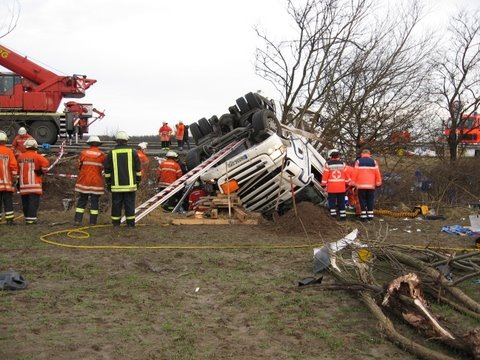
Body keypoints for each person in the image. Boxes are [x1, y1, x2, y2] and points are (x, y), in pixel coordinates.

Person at [104, 131, 142, 227]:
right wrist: (137, 181)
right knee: (129, 204)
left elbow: (107, 171)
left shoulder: (111, 153)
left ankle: (116, 224)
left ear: (116, 141)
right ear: (126, 141)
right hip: (130, 185)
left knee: (116, 204)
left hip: (116, 186)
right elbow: (138, 169)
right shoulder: (133, 152)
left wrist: (108, 183)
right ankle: (130, 224)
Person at [73, 135, 106, 225]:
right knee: (95, 201)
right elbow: (105, 168)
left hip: (84, 181)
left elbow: (79, 167)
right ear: (98, 144)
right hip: (96, 182)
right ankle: (93, 222)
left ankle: (77, 220)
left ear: (89, 144)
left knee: (82, 200)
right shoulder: (102, 155)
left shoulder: (83, 154)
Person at [17, 138, 50, 224]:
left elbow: (17, 170)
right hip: (34, 184)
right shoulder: (38, 157)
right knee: (33, 203)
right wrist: (41, 171)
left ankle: (27, 217)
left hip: (23, 185)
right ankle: (31, 220)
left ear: (26, 147)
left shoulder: (20, 157)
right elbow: (45, 165)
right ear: (35, 147)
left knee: (25, 202)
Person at [352, 149, 382, 222]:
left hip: (361, 186)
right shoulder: (374, 162)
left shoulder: (358, 162)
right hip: (371, 186)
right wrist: (378, 183)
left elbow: (355, 173)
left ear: (362, 154)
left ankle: (363, 217)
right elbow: (377, 173)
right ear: (369, 154)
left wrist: (353, 183)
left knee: (362, 201)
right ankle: (370, 217)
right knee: (370, 200)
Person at [321, 149, 351, 221]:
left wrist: (323, 185)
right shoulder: (343, 164)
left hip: (332, 188)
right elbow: (346, 175)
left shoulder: (328, 164)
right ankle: (343, 217)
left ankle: (333, 217)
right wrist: (348, 183)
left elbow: (325, 176)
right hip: (341, 187)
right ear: (338, 156)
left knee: (332, 202)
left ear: (331, 156)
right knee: (341, 202)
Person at [0, 130, 18, 225]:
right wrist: (14, 178)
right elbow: (13, 166)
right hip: (7, 183)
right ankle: (10, 220)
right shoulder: (9, 151)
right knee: (8, 201)